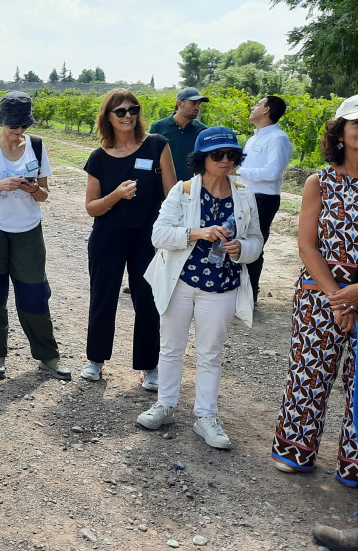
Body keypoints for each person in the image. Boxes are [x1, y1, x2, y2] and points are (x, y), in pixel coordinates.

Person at [138, 126, 263, 449]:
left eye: (232, 154)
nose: (226, 160)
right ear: (202, 159)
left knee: (210, 353)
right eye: (217, 154)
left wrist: (241, 249)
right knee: (171, 347)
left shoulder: (244, 195)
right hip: (181, 282)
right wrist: (197, 232)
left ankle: (206, 416)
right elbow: (159, 235)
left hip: (222, 286)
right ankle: (165, 405)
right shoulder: (183, 191)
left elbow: (256, 241)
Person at [272, 94, 358, 484]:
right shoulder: (318, 182)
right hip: (318, 293)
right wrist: (337, 297)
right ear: (339, 132)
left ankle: (353, 465)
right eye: (356, 123)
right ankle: (295, 451)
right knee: (309, 371)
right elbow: (307, 245)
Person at [0, 91, 70, 380]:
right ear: (2, 122)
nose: (19, 130)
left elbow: (44, 195)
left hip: (28, 231)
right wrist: (0, 185)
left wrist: (33, 189)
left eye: (24, 125)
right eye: (14, 125)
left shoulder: (36, 146)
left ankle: (48, 356)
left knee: (35, 294)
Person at [82, 89, 177, 386]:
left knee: (147, 300)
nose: (128, 115)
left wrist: (169, 235)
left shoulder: (157, 145)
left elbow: (173, 196)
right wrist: (116, 196)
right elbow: (92, 207)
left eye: (133, 109)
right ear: (108, 117)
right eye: (120, 111)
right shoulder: (98, 158)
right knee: (103, 297)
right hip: (107, 236)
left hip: (147, 238)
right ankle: (95, 360)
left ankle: (149, 366)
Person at [237, 95, 292, 302]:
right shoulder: (253, 138)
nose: (253, 107)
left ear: (267, 109)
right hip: (244, 195)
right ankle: (237, 292)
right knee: (238, 242)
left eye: (258, 104)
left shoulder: (278, 138)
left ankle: (250, 296)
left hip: (263, 199)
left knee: (254, 245)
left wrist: (239, 171)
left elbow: (273, 172)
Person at [149, 87, 209, 181]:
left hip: (190, 186)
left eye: (199, 104)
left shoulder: (202, 131)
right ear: (180, 104)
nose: (197, 107)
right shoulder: (158, 127)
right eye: (193, 103)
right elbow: (148, 157)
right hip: (161, 186)